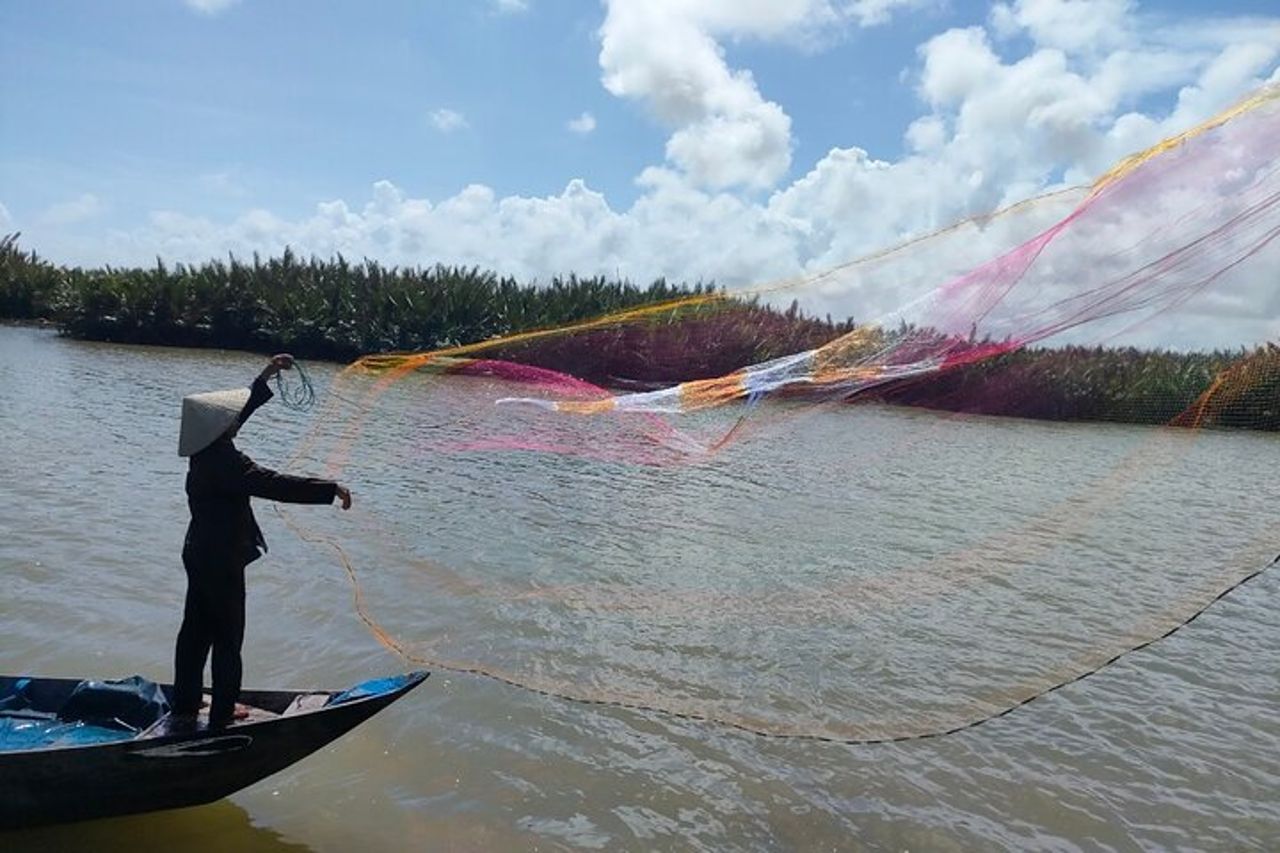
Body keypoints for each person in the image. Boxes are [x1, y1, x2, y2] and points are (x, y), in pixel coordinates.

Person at [173, 353, 352, 727]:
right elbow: (273, 484)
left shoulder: (204, 453)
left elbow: (235, 418)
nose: (234, 421)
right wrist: (329, 488)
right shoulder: (227, 463)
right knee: (227, 637)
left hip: (199, 553)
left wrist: (265, 376)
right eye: (228, 420)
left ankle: (187, 702)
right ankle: (223, 710)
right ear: (219, 429)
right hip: (221, 561)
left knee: (195, 631)